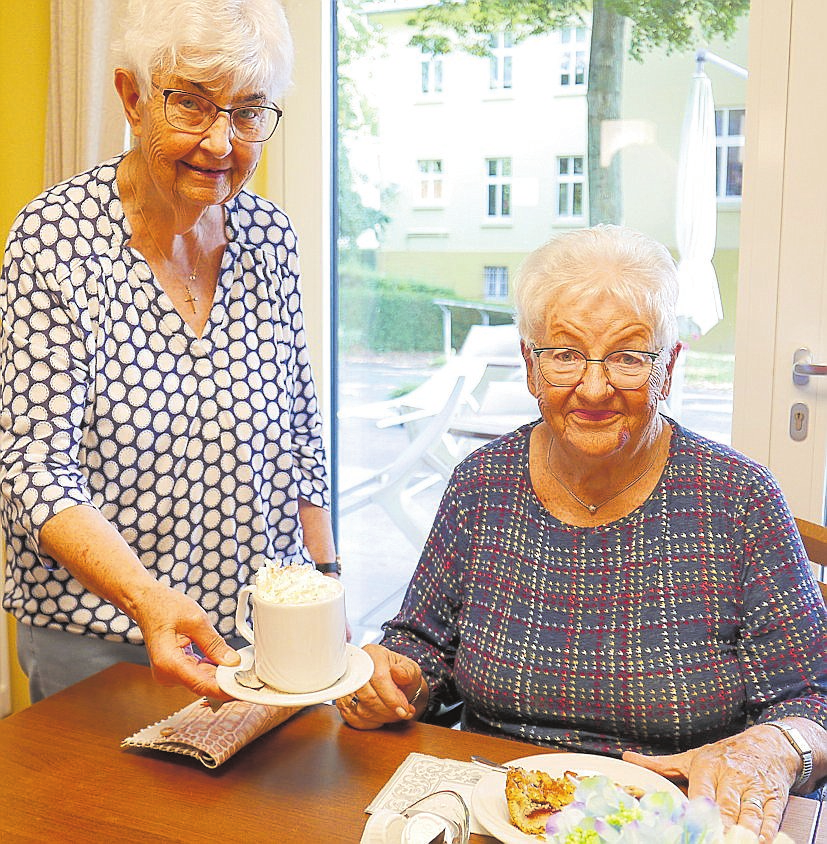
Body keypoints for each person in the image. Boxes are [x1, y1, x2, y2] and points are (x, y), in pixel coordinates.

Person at [335, 225, 826, 841]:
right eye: (565, 353)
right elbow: (422, 646)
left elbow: (813, 702)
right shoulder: (481, 485)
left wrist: (771, 750)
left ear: (668, 367)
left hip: (671, 820)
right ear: (530, 366)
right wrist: (390, 678)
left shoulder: (739, 501)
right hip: (499, 810)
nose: (594, 388)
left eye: (627, 356)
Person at [0, 0, 339, 703]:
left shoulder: (269, 237)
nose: (221, 143)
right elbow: (34, 464)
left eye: (248, 112)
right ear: (131, 96)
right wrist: (149, 599)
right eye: (191, 104)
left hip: (257, 635)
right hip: (98, 641)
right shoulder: (55, 239)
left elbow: (300, 429)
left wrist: (325, 583)